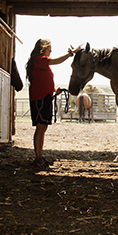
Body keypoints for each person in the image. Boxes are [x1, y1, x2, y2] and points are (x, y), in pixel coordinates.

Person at [25, 39, 81, 167]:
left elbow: (43, 81)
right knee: (40, 127)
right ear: (42, 48)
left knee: (43, 127)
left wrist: (55, 91)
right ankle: (38, 157)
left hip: (45, 97)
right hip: (40, 99)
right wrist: (70, 53)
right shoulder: (40, 59)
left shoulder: (41, 62)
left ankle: (39, 156)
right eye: (49, 48)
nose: (50, 51)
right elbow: (58, 61)